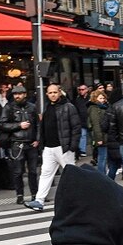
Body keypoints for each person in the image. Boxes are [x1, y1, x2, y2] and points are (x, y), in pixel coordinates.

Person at [25, 84, 81, 212]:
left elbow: (76, 127)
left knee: (71, 175)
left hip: (63, 147)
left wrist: (72, 146)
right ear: (47, 94)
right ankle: (39, 200)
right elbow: (44, 127)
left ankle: (78, 200)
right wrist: (42, 144)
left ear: (60, 92)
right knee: (46, 174)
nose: (53, 95)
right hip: (49, 148)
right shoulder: (48, 107)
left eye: (55, 92)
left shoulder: (68, 107)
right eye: (50, 93)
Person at [0, 84, 39, 204]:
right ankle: (20, 195)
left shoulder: (32, 107)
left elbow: (37, 124)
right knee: (18, 171)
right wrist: (19, 125)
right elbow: (2, 124)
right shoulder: (9, 107)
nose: (17, 96)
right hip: (17, 143)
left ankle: (35, 194)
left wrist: (37, 139)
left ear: (25, 94)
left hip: (31, 143)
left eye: (19, 94)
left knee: (33, 171)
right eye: (15, 94)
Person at [87, 90, 109, 176]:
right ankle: (102, 176)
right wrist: (99, 138)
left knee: (103, 157)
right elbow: (96, 124)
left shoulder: (102, 107)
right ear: (95, 99)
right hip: (101, 136)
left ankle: (102, 175)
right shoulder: (94, 109)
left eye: (103, 98)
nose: (102, 100)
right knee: (102, 157)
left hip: (104, 135)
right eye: (100, 98)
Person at [73, 83, 90, 157]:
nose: (81, 91)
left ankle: (95, 151)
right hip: (81, 120)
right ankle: (82, 150)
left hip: (90, 120)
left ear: (87, 90)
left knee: (92, 136)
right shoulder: (77, 99)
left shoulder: (90, 98)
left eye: (82, 89)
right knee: (83, 135)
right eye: (79, 89)